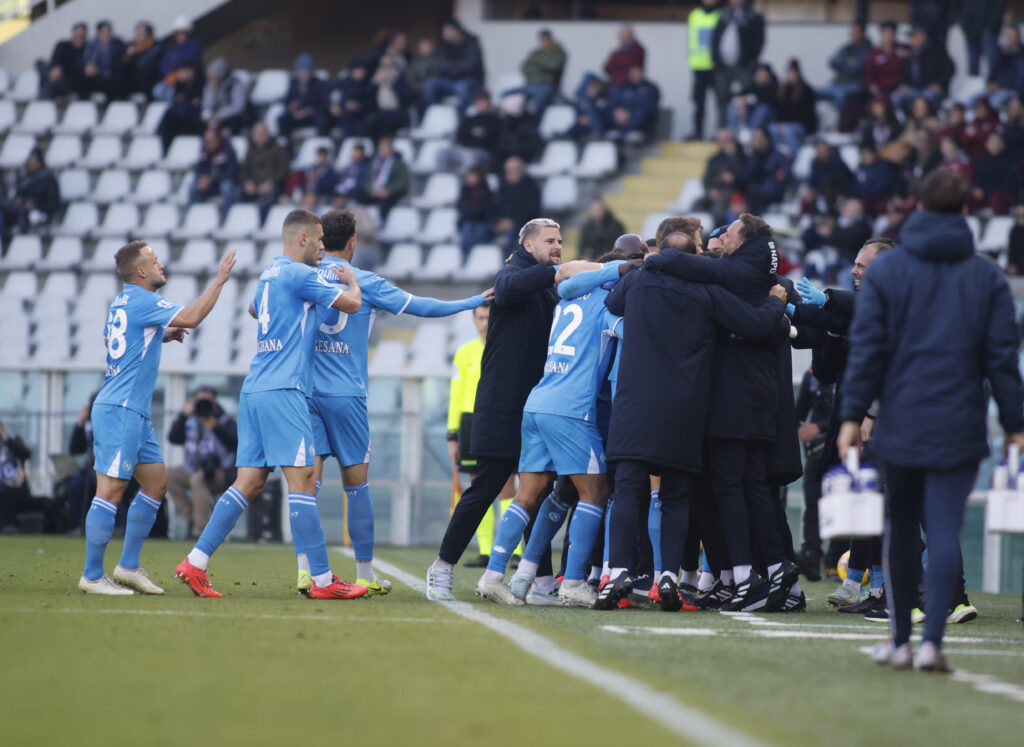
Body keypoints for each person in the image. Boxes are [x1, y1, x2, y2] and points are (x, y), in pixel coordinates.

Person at [838, 170, 1024, 672]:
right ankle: (933, 645)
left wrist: (852, 414)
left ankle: (900, 641)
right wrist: (1014, 424)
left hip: (899, 420)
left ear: (917, 206)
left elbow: (867, 352)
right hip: (960, 422)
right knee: (944, 531)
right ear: (966, 210)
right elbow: (1002, 359)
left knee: (899, 530)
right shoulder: (986, 275)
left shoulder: (889, 273)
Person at [595, 233, 791, 610]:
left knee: (628, 488)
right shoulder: (706, 293)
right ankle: (668, 577)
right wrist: (774, 303)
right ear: (695, 258)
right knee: (675, 495)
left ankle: (616, 571)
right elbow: (755, 325)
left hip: (634, 402)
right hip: (683, 407)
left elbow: (612, 301)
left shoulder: (637, 282)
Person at [300, 209, 492, 595]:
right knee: (357, 486)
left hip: (305, 393)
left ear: (321, 241)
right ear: (353, 243)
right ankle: (366, 573)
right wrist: (472, 300)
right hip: (347, 396)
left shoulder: (300, 276)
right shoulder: (364, 281)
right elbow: (422, 306)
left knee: (305, 487)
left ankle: (308, 572)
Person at [175, 210, 363, 599]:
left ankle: (195, 562)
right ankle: (324, 582)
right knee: (303, 481)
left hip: (255, 388)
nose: (324, 247)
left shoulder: (269, 275)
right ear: (302, 240)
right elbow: (352, 305)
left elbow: (253, 311)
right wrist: (352, 281)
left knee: (249, 481)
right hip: (284, 390)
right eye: (319, 239)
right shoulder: (300, 274)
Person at [78, 241, 236, 595]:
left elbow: (111, 340)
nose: (161, 265)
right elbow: (193, 317)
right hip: (120, 409)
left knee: (156, 483)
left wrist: (159, 336)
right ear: (140, 272)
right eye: (154, 260)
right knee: (111, 490)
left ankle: (128, 566)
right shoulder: (143, 300)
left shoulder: (121, 301)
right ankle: (91, 575)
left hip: (134, 410)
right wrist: (220, 281)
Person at [475, 258, 623, 609]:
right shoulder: (605, 305)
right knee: (595, 490)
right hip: (572, 409)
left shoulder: (566, 302)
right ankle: (572, 583)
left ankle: (493, 575)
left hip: (538, 402)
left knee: (528, 494)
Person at [427, 218, 562, 601]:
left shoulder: (545, 284)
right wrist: (554, 270)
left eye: (561, 241)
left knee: (537, 490)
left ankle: (542, 582)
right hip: (502, 406)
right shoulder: (512, 273)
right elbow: (507, 286)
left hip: (536, 406)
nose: (557, 246)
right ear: (528, 245)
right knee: (485, 488)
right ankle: (442, 567)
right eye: (550, 240)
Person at [448, 303, 517, 567]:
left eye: (488, 317)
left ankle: (514, 549)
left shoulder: (505, 348)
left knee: (506, 486)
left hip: (500, 417)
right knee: (479, 486)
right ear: (474, 320)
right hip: (470, 420)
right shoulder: (464, 353)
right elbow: (456, 395)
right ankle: (486, 549)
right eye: (480, 317)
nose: (485, 322)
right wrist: (452, 434)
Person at [166, 387, 238, 539]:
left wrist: (215, 426)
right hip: (191, 468)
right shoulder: (190, 419)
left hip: (219, 472)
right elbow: (173, 438)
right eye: (200, 400)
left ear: (214, 401)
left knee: (198, 480)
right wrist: (183, 415)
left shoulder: (224, 419)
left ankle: (199, 531)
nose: (203, 404)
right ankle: (192, 518)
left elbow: (235, 443)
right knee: (166, 476)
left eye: (207, 400)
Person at [711, 0, 766, 129]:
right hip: (722, 67)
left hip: (744, 66)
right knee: (722, 99)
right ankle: (722, 131)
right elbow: (715, 39)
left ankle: (747, 130)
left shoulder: (753, 17)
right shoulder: (722, 16)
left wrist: (751, 59)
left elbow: (759, 40)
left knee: (747, 98)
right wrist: (716, 60)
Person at [421, 20, 485, 111]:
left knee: (462, 87)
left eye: (446, 31)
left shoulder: (472, 42)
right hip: (450, 81)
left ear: (455, 31)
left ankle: (464, 120)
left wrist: (452, 68)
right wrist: (456, 67)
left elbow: (471, 65)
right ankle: (433, 115)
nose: (443, 34)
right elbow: (440, 64)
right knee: (429, 85)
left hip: (471, 80)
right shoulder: (445, 45)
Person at [891, 26, 953, 112]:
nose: (912, 39)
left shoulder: (936, 51)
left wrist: (938, 83)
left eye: (915, 36)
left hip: (929, 88)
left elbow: (949, 69)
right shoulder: (908, 53)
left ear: (923, 37)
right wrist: (903, 84)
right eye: (911, 36)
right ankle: (901, 120)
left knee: (928, 97)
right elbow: (903, 73)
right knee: (896, 97)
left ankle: (932, 119)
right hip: (913, 89)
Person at [0, 149, 60, 237]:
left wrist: (35, 204)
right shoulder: (24, 178)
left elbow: (53, 203)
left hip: (37, 213)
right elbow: (17, 195)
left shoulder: (48, 180)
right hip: (18, 210)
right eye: (30, 160)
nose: (32, 163)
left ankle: (22, 237)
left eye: (35, 160)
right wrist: (18, 200)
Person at [240, 122, 289, 221]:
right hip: (254, 185)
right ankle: (242, 223)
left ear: (267, 134)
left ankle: (261, 224)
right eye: (256, 134)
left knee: (267, 198)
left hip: (272, 185)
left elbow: (284, 170)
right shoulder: (251, 150)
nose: (259, 136)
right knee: (237, 194)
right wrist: (247, 182)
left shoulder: (278, 149)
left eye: (261, 134)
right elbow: (243, 170)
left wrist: (271, 182)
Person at [818, 22, 872, 113]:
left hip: (855, 84)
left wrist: (842, 63)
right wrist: (847, 62)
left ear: (862, 33)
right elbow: (832, 62)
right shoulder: (845, 48)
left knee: (840, 94)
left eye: (856, 32)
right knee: (813, 92)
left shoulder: (867, 50)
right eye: (851, 32)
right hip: (837, 83)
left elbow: (857, 68)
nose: (853, 34)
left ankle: (843, 122)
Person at [352, 136, 408, 219]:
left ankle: (381, 222)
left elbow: (402, 181)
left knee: (386, 202)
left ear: (391, 149)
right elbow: (368, 179)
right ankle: (361, 221)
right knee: (357, 194)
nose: (382, 150)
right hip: (375, 191)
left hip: (389, 192)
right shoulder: (374, 163)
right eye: (381, 148)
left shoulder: (399, 163)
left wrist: (388, 190)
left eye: (385, 148)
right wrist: (370, 189)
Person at [688, 0, 721, 140]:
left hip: (716, 66)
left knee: (719, 102)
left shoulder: (721, 15)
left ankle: (719, 134)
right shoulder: (694, 15)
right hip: (698, 66)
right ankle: (697, 132)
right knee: (698, 103)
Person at [770, 59, 817, 156]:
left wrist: (786, 123)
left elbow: (805, 113)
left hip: (802, 125)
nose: (789, 75)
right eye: (788, 72)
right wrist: (780, 122)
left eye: (792, 72)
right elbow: (778, 110)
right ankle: (779, 157)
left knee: (788, 131)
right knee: (772, 129)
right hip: (784, 124)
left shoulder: (806, 90)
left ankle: (797, 157)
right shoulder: (782, 90)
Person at [494, 156, 540, 256]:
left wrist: (512, 221)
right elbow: (495, 207)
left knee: (512, 233)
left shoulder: (530, 186)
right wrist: (499, 221)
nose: (509, 173)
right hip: (503, 222)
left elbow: (531, 210)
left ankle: (508, 264)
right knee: (479, 230)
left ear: (521, 170)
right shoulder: (503, 186)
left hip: (523, 223)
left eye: (513, 170)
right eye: (508, 170)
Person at [156, 59, 204, 152]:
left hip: (194, 122)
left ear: (191, 72)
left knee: (170, 117)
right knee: (169, 115)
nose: (179, 74)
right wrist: (167, 82)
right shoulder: (179, 86)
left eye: (182, 71)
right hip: (180, 121)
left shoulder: (200, 86)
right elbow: (158, 92)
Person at [188, 125, 238, 214]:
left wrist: (212, 179)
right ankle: (196, 215)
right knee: (192, 186)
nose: (209, 144)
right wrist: (201, 178)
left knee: (227, 187)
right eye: (207, 141)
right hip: (209, 185)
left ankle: (227, 216)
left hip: (220, 182)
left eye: (211, 141)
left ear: (218, 139)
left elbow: (232, 172)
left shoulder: (227, 150)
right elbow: (199, 168)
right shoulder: (204, 151)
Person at [154, 16, 203, 103]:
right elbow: (164, 65)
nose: (180, 35)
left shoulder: (193, 45)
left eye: (183, 33)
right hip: (171, 77)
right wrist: (171, 73)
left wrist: (177, 72)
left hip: (186, 78)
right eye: (178, 33)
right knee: (158, 90)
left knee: (171, 93)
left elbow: (187, 62)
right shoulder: (171, 47)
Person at [279, 54, 329, 138]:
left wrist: (307, 111)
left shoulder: (320, 85)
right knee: (282, 120)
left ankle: (320, 144)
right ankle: (287, 147)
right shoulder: (294, 83)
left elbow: (323, 104)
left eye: (306, 70)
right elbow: (287, 100)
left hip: (312, 116)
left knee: (322, 120)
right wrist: (292, 106)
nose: (304, 73)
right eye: (301, 70)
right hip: (297, 115)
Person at [742, 127, 790, 214]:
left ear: (768, 140)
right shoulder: (753, 158)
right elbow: (747, 176)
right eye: (755, 139)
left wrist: (783, 174)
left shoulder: (778, 157)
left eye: (760, 139)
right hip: (753, 192)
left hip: (770, 193)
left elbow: (783, 175)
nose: (757, 142)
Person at [607, 65, 661, 142]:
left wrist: (629, 114)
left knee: (640, 112)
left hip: (642, 126)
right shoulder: (625, 87)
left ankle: (622, 134)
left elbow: (647, 109)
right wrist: (618, 112)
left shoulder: (651, 88)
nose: (634, 75)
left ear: (642, 72)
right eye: (632, 72)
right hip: (621, 123)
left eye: (636, 72)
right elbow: (616, 103)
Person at [519, 29, 566, 115]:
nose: (543, 42)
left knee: (539, 101)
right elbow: (525, 68)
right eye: (541, 40)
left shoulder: (558, 53)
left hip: (548, 86)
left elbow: (553, 66)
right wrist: (540, 68)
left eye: (545, 40)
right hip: (531, 84)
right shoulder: (536, 53)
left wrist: (537, 63)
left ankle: (535, 124)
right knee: (509, 95)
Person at [201, 57, 251, 134]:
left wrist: (218, 116)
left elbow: (238, 107)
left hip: (230, 118)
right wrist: (212, 91)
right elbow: (207, 105)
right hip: (214, 118)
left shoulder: (235, 85)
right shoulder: (210, 85)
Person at [326, 63, 375, 139]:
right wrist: (335, 105)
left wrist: (358, 106)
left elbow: (371, 103)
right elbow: (330, 93)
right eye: (359, 70)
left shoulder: (367, 85)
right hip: (344, 114)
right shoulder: (343, 83)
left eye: (363, 71)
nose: (361, 73)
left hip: (361, 115)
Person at [81, 20, 125, 99]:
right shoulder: (91, 46)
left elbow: (121, 62)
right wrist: (89, 67)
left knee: (118, 81)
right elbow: (86, 61)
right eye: (103, 32)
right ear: (98, 33)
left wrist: (101, 69)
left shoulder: (118, 45)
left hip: (113, 75)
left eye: (108, 32)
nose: (106, 35)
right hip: (96, 77)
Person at [457, 167, 495, 258]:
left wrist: (471, 213)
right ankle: (466, 256)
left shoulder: (486, 192)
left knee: (479, 231)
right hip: (468, 221)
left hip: (483, 221)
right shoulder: (464, 191)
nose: (470, 178)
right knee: (467, 228)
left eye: (473, 176)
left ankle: (476, 257)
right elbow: (460, 206)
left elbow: (484, 210)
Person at [43, 22, 87, 99]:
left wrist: (60, 70)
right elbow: (55, 59)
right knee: (40, 64)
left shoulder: (87, 49)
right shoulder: (63, 45)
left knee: (49, 84)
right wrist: (56, 68)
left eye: (81, 36)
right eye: (77, 35)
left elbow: (77, 69)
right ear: (73, 34)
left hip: (68, 81)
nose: (78, 37)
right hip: (55, 74)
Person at [863, 22, 906, 99]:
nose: (889, 36)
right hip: (880, 88)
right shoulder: (874, 54)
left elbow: (908, 71)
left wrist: (905, 84)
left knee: (898, 98)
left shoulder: (903, 50)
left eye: (891, 34)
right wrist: (873, 88)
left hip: (898, 88)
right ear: (881, 34)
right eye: (886, 34)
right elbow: (868, 75)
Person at [123, 21, 163, 98]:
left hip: (149, 79)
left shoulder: (156, 47)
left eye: (142, 33)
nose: (139, 36)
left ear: (148, 34)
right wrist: (128, 56)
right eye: (138, 33)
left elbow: (150, 65)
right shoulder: (130, 46)